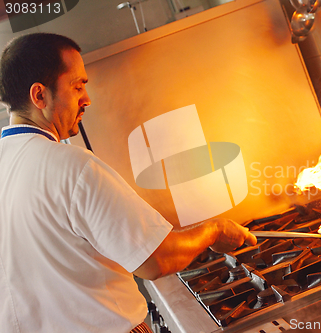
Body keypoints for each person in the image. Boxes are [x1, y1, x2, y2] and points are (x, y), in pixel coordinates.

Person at [0, 33, 257, 333]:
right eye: (77, 86)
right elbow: (155, 260)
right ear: (39, 96)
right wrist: (213, 230)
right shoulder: (72, 167)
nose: (87, 98)